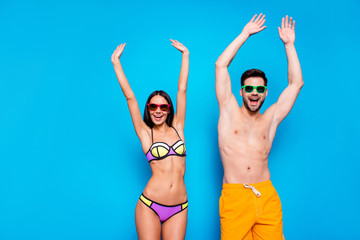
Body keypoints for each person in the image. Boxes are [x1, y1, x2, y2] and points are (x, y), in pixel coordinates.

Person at [215, 13, 303, 239]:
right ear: (242, 91)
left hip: (266, 195)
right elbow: (221, 65)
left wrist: (290, 45)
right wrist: (245, 34)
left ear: (265, 93)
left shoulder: (270, 118)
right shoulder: (228, 110)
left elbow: (296, 84)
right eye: (250, 89)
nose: (255, 93)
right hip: (235, 197)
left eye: (260, 90)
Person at [111, 39, 189, 240]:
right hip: (150, 206)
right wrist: (116, 63)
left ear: (169, 109)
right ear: (148, 109)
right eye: (153, 106)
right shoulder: (145, 133)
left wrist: (185, 55)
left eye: (163, 107)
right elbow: (130, 97)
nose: (158, 110)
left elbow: (182, 90)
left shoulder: (178, 127)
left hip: (179, 207)